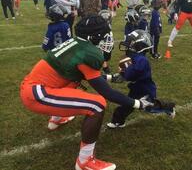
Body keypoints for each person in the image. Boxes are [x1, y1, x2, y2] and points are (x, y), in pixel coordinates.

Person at [20, 15, 153, 170]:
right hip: (38, 93)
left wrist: (111, 77)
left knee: (74, 81)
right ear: (94, 36)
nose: (107, 39)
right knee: (97, 105)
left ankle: (56, 120)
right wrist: (138, 103)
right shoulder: (89, 54)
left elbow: (88, 76)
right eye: (104, 35)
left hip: (36, 86)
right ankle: (85, 162)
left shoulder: (77, 43)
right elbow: (107, 93)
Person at [107, 30, 175, 128]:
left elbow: (130, 75)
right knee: (127, 105)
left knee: (149, 108)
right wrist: (114, 75)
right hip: (136, 88)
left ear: (139, 47)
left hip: (145, 90)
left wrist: (123, 71)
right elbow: (126, 75)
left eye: (131, 44)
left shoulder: (142, 61)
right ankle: (118, 121)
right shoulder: (136, 57)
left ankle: (169, 107)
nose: (127, 46)